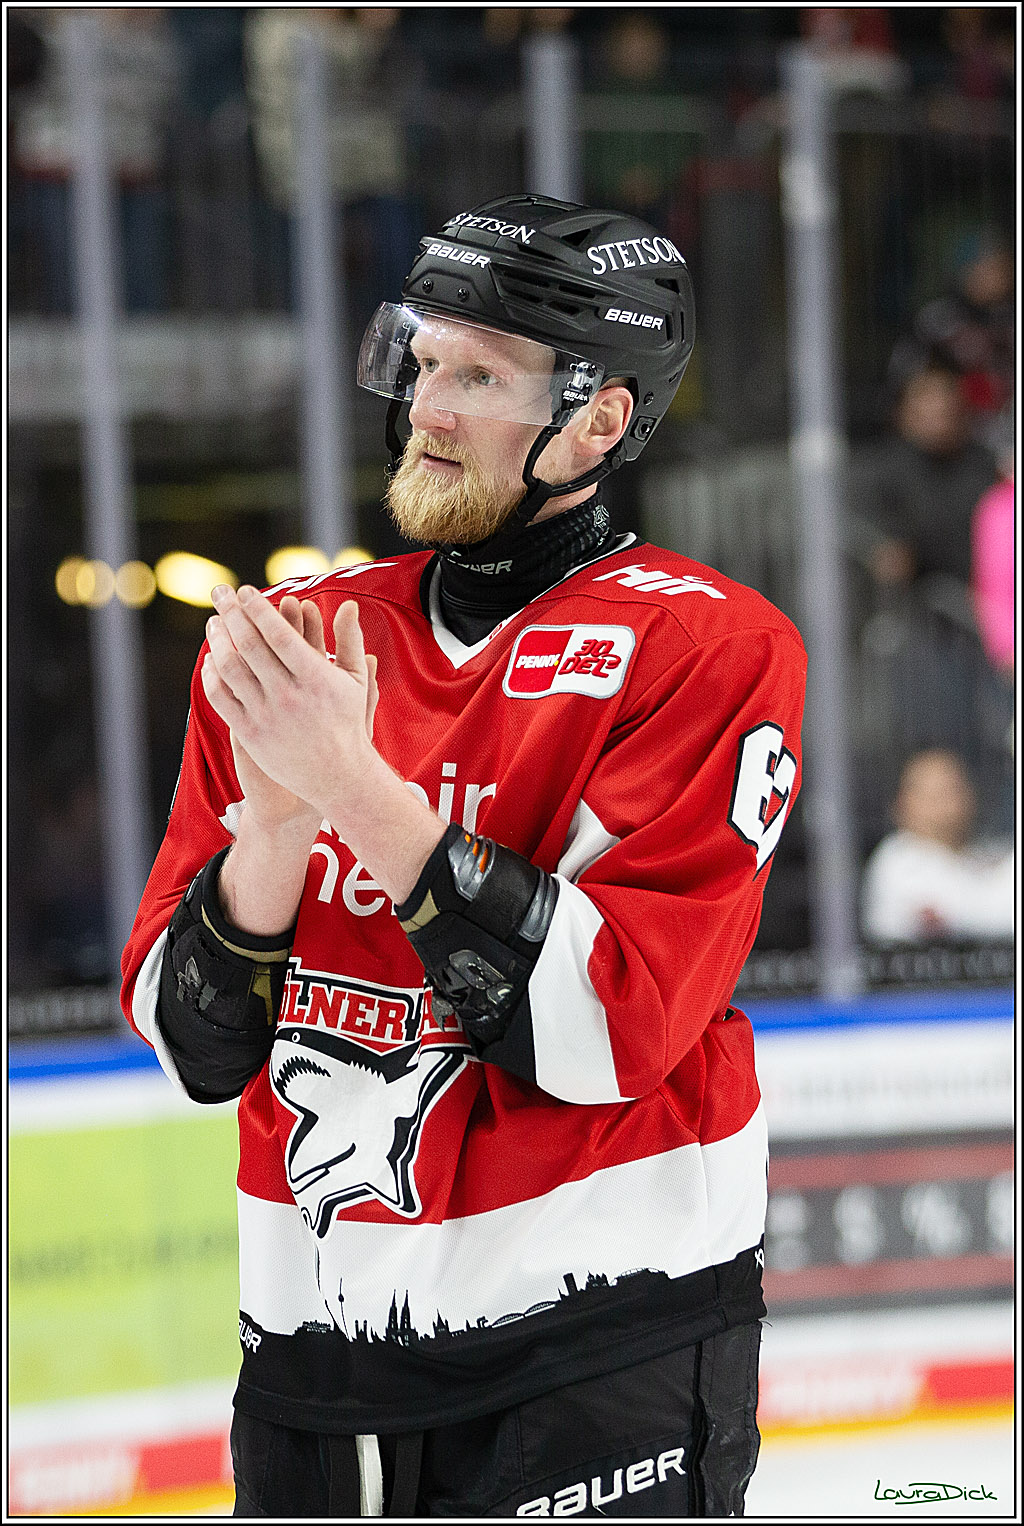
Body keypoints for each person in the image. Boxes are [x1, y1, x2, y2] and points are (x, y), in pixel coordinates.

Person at [121, 193, 807, 1517]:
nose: (429, 404)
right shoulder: (308, 641)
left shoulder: (710, 646)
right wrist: (271, 831)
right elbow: (195, 1046)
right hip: (314, 1368)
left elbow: (606, 1028)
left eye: (481, 375)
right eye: (424, 359)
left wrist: (353, 788)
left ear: (598, 421)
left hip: (600, 1353)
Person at [861, 749, 1014, 945]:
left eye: (955, 788)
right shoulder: (896, 859)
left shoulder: (980, 853)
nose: (949, 802)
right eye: (935, 792)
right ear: (903, 802)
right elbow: (984, 915)